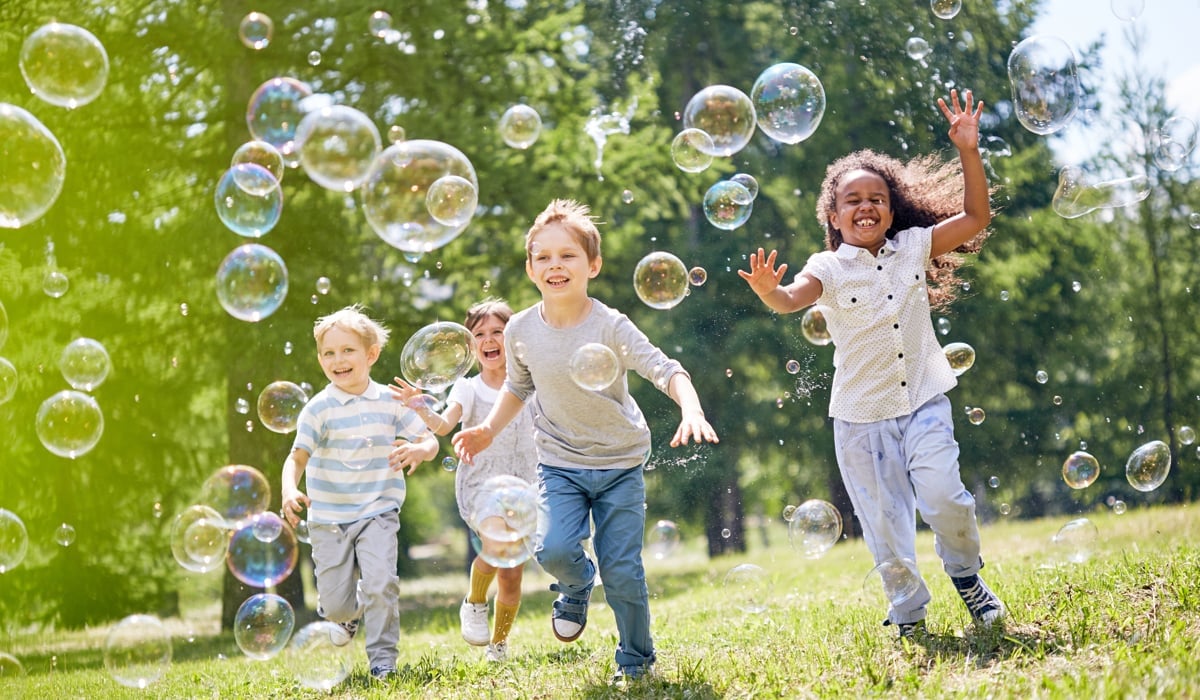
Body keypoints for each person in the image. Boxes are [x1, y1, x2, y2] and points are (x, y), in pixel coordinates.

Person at [738, 90, 1005, 640]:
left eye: (877, 198)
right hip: (861, 419)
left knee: (946, 499)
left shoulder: (913, 246)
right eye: (852, 199)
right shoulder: (828, 267)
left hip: (925, 399)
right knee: (885, 529)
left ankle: (967, 577)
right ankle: (908, 615)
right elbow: (792, 299)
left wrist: (968, 151)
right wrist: (770, 291)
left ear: (892, 207)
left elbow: (977, 216)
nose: (866, 206)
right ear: (833, 215)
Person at [452, 199, 719, 683]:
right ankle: (575, 585)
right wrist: (487, 429)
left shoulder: (610, 325)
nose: (556, 265)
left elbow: (665, 368)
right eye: (544, 256)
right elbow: (517, 386)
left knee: (623, 573)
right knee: (551, 549)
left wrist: (691, 408)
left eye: (568, 255)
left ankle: (637, 662)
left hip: (619, 462)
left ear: (592, 264)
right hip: (558, 463)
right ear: (530, 268)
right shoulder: (520, 330)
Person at [280, 305, 439, 681]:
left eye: (348, 350)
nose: (338, 360)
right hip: (329, 518)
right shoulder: (318, 409)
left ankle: (383, 660)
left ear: (370, 355)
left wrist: (420, 449)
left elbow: (429, 439)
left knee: (381, 583)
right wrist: (289, 488)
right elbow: (296, 456)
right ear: (320, 359)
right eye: (329, 353)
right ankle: (345, 618)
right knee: (336, 605)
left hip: (378, 511)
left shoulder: (390, 401)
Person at [390, 298, 538, 664]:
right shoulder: (467, 389)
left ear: (513, 337)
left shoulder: (532, 382)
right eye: (480, 334)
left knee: (512, 575)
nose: (489, 340)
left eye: (498, 332)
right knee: (495, 547)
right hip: (483, 483)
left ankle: (499, 645)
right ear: (471, 346)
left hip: (527, 483)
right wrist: (421, 407)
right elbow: (443, 425)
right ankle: (474, 602)